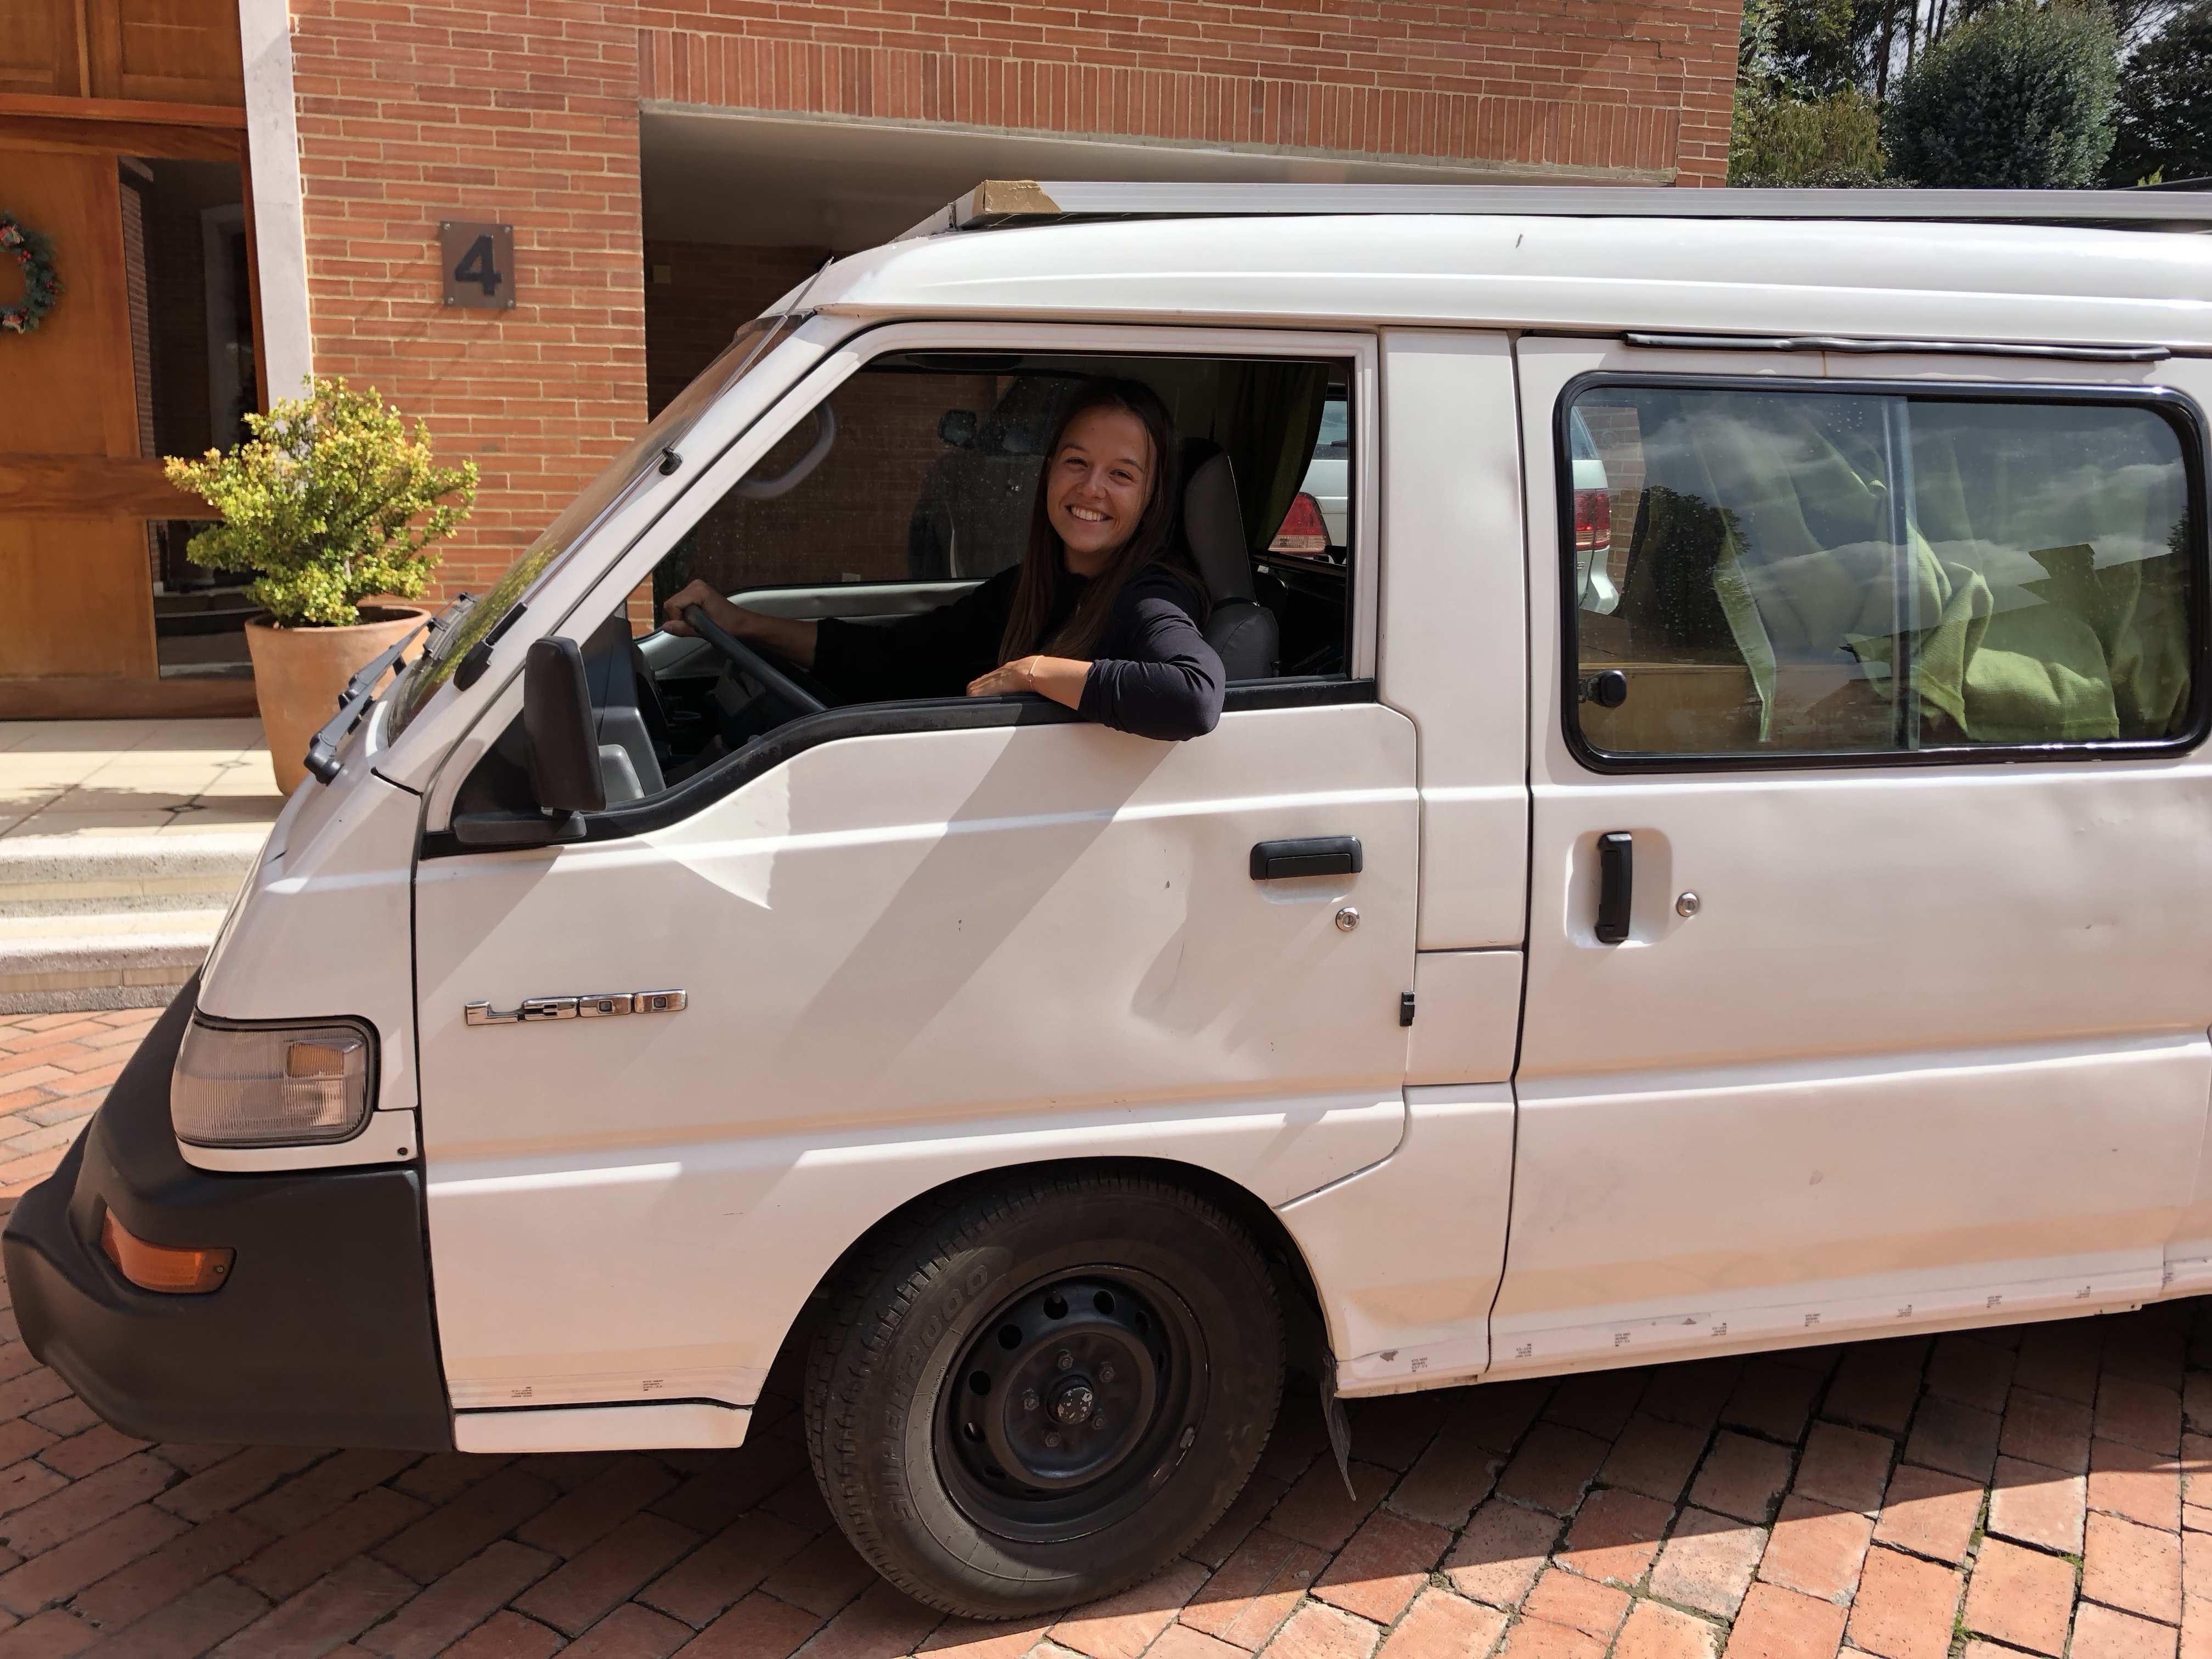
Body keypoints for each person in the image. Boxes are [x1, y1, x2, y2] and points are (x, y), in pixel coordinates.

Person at [661, 378, 1226, 742]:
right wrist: (739, 622)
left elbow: (1193, 697)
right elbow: (894, 655)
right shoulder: (1029, 589)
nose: (1091, 488)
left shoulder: (1149, 596)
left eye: (1121, 474)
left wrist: (1031, 671)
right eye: (1077, 462)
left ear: (1152, 497)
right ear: (1050, 471)